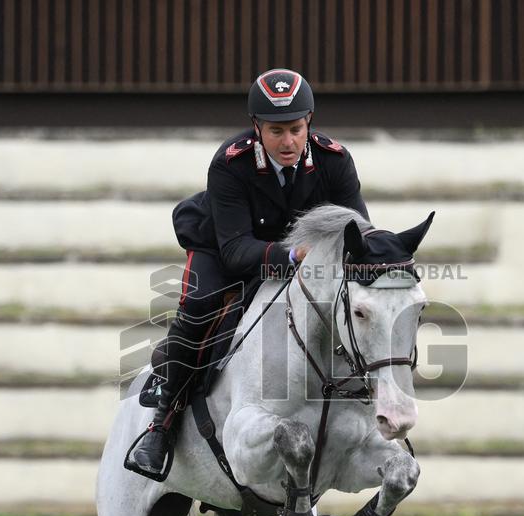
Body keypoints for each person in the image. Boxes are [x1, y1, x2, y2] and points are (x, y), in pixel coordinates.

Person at [125, 68, 370, 480]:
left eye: (296, 128)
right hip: (226, 247)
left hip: (302, 256)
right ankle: (162, 422)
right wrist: (294, 255)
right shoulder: (230, 162)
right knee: (200, 304)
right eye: (276, 131)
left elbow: (358, 233)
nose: (288, 142)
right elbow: (237, 251)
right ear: (256, 127)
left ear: (309, 121)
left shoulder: (336, 161)